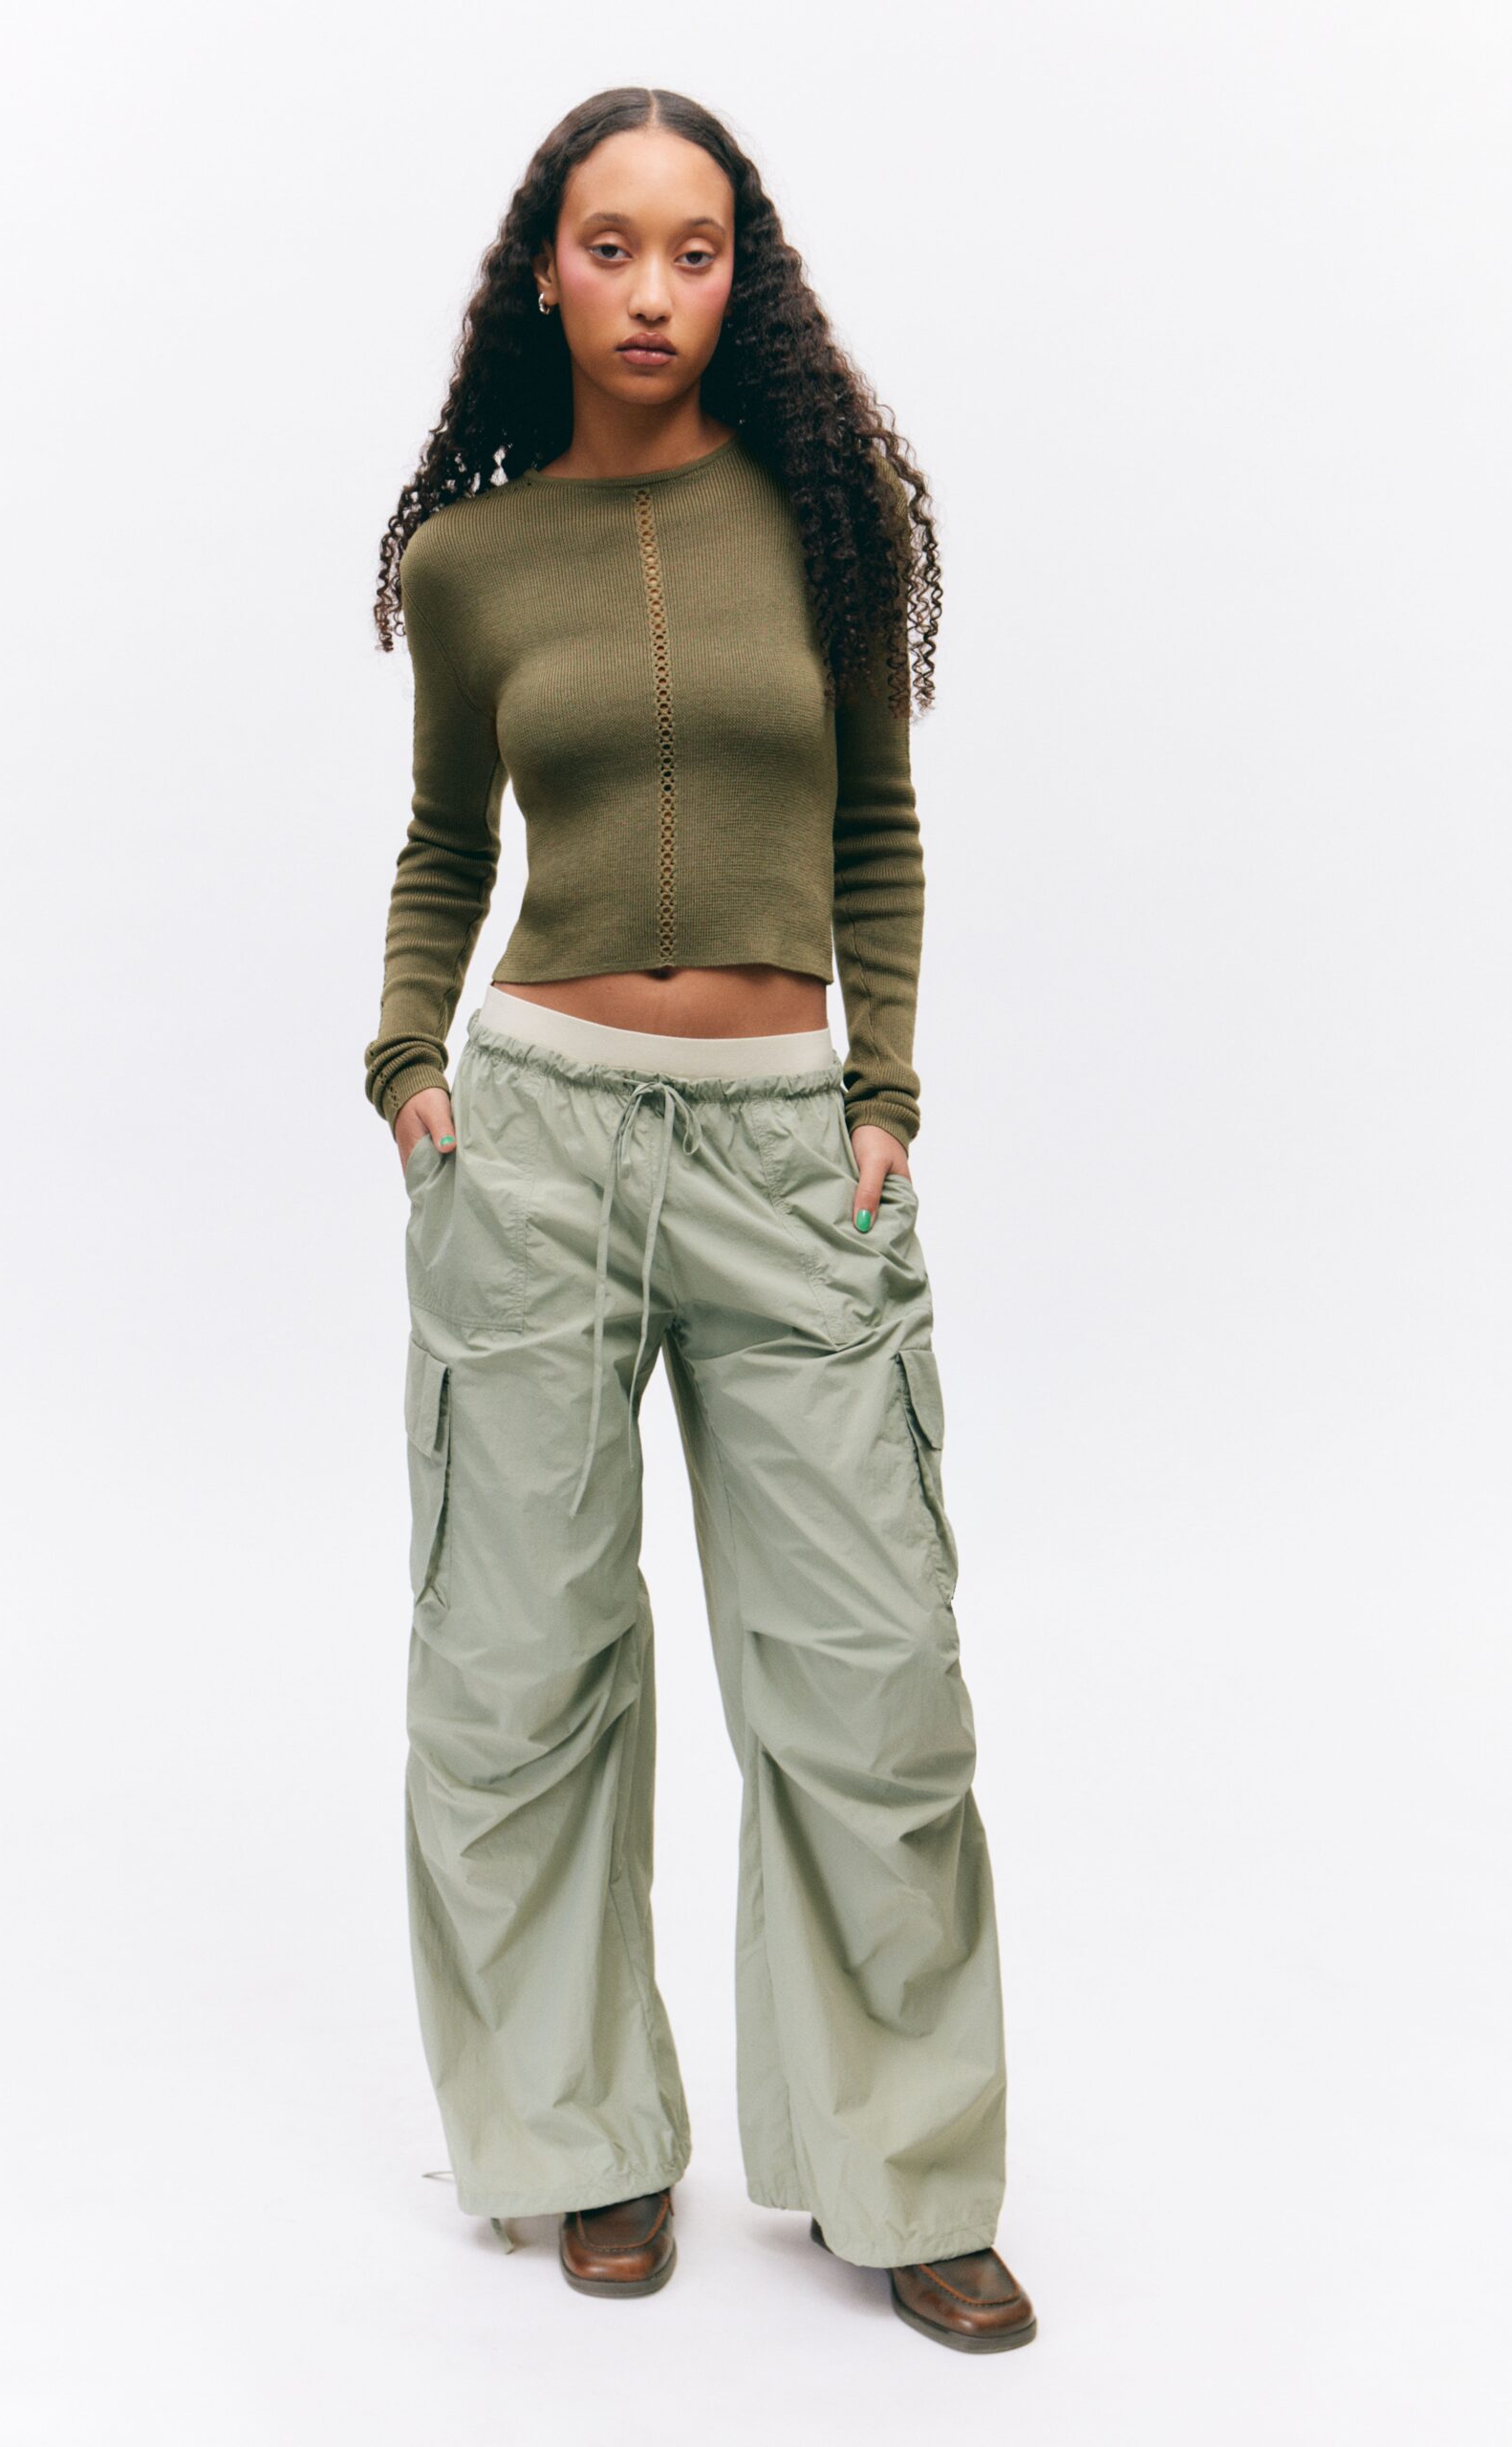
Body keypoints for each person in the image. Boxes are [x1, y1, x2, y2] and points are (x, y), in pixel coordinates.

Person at [363, 85, 1037, 2356]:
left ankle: (903, 2169)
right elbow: (444, 846)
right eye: (609, 245)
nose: (653, 289)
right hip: (535, 1141)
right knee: (518, 1671)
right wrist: (408, 1061)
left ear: (741, 276)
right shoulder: (469, 564)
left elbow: (876, 834)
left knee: (873, 1681)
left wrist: (881, 1092)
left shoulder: (825, 516)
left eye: (695, 247)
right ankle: (582, 2139)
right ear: (540, 272)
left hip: (780, 1155)